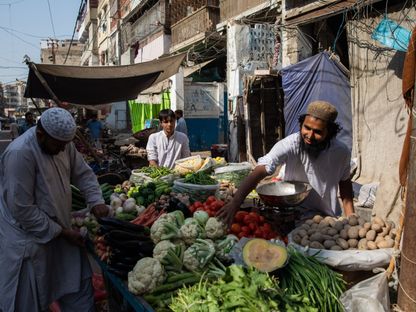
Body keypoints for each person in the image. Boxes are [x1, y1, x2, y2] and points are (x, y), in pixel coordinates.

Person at [0, 107, 109, 312]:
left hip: (60, 228)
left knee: (78, 288)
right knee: (28, 300)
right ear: (40, 134)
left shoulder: (63, 145)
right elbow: (22, 209)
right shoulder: (20, 153)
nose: (62, 150)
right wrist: (60, 231)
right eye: (58, 145)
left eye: (64, 145)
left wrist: (96, 201)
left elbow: (83, 174)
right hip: (28, 237)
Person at [218, 100, 354, 226]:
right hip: (295, 216)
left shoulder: (341, 152)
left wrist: (351, 217)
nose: (310, 135)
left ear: (329, 133)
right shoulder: (291, 144)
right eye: (307, 128)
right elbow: (261, 170)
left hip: (328, 219)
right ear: (301, 124)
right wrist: (235, 204)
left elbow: (345, 185)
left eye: (318, 132)